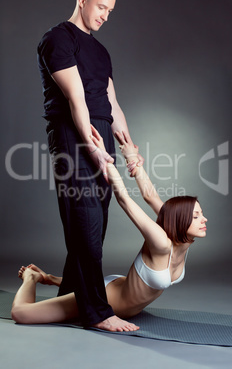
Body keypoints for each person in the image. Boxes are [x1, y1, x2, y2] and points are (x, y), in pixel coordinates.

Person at [11, 127, 207, 328]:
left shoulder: (182, 237)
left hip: (121, 287)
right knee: (21, 314)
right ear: (181, 220)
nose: (204, 219)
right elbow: (123, 198)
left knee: (79, 287)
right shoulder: (161, 242)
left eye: (201, 214)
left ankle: (52, 279)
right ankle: (32, 277)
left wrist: (131, 158)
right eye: (196, 216)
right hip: (106, 299)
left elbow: (151, 196)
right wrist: (107, 160)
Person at [37, 0, 142, 331]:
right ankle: (96, 313)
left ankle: (69, 297)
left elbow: (110, 102)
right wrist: (91, 146)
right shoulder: (57, 39)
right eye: (101, 7)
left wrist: (128, 148)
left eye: (110, 11)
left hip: (100, 134)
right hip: (72, 133)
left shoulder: (101, 52)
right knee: (85, 221)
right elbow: (76, 98)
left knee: (96, 224)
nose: (105, 16)